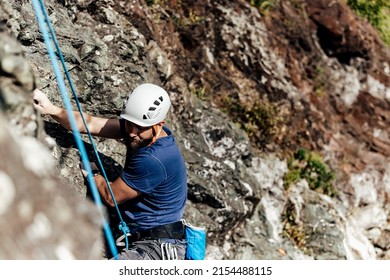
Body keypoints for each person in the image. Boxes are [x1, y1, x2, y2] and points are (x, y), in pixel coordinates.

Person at [33, 83, 188, 260]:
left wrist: (94, 176)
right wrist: (52, 109)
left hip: (158, 249)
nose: (132, 133)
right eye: (130, 124)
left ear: (159, 124)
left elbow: (110, 196)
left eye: (140, 128)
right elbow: (89, 124)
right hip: (148, 240)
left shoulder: (155, 158)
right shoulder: (142, 130)